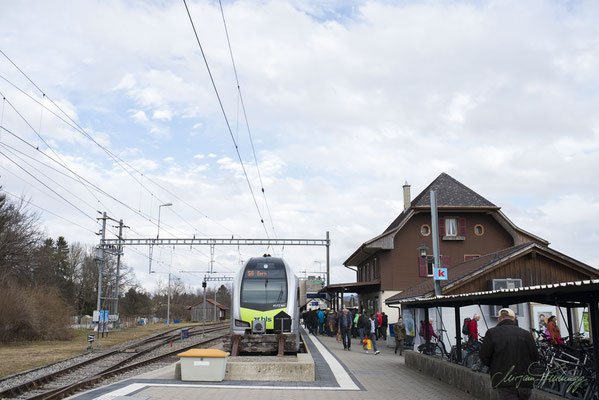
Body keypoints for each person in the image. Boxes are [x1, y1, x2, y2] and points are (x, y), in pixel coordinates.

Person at [480, 308, 539, 400]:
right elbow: (535, 358)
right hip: (525, 382)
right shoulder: (526, 334)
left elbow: (484, 357)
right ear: (514, 319)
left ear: (499, 319)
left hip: (504, 381)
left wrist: (495, 366)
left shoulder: (492, 333)